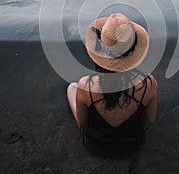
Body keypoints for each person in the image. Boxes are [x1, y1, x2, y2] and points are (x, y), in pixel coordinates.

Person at [67, 12, 158, 157]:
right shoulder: (149, 83)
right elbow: (150, 120)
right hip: (133, 144)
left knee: (72, 87)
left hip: (96, 145)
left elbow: (82, 122)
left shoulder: (87, 85)